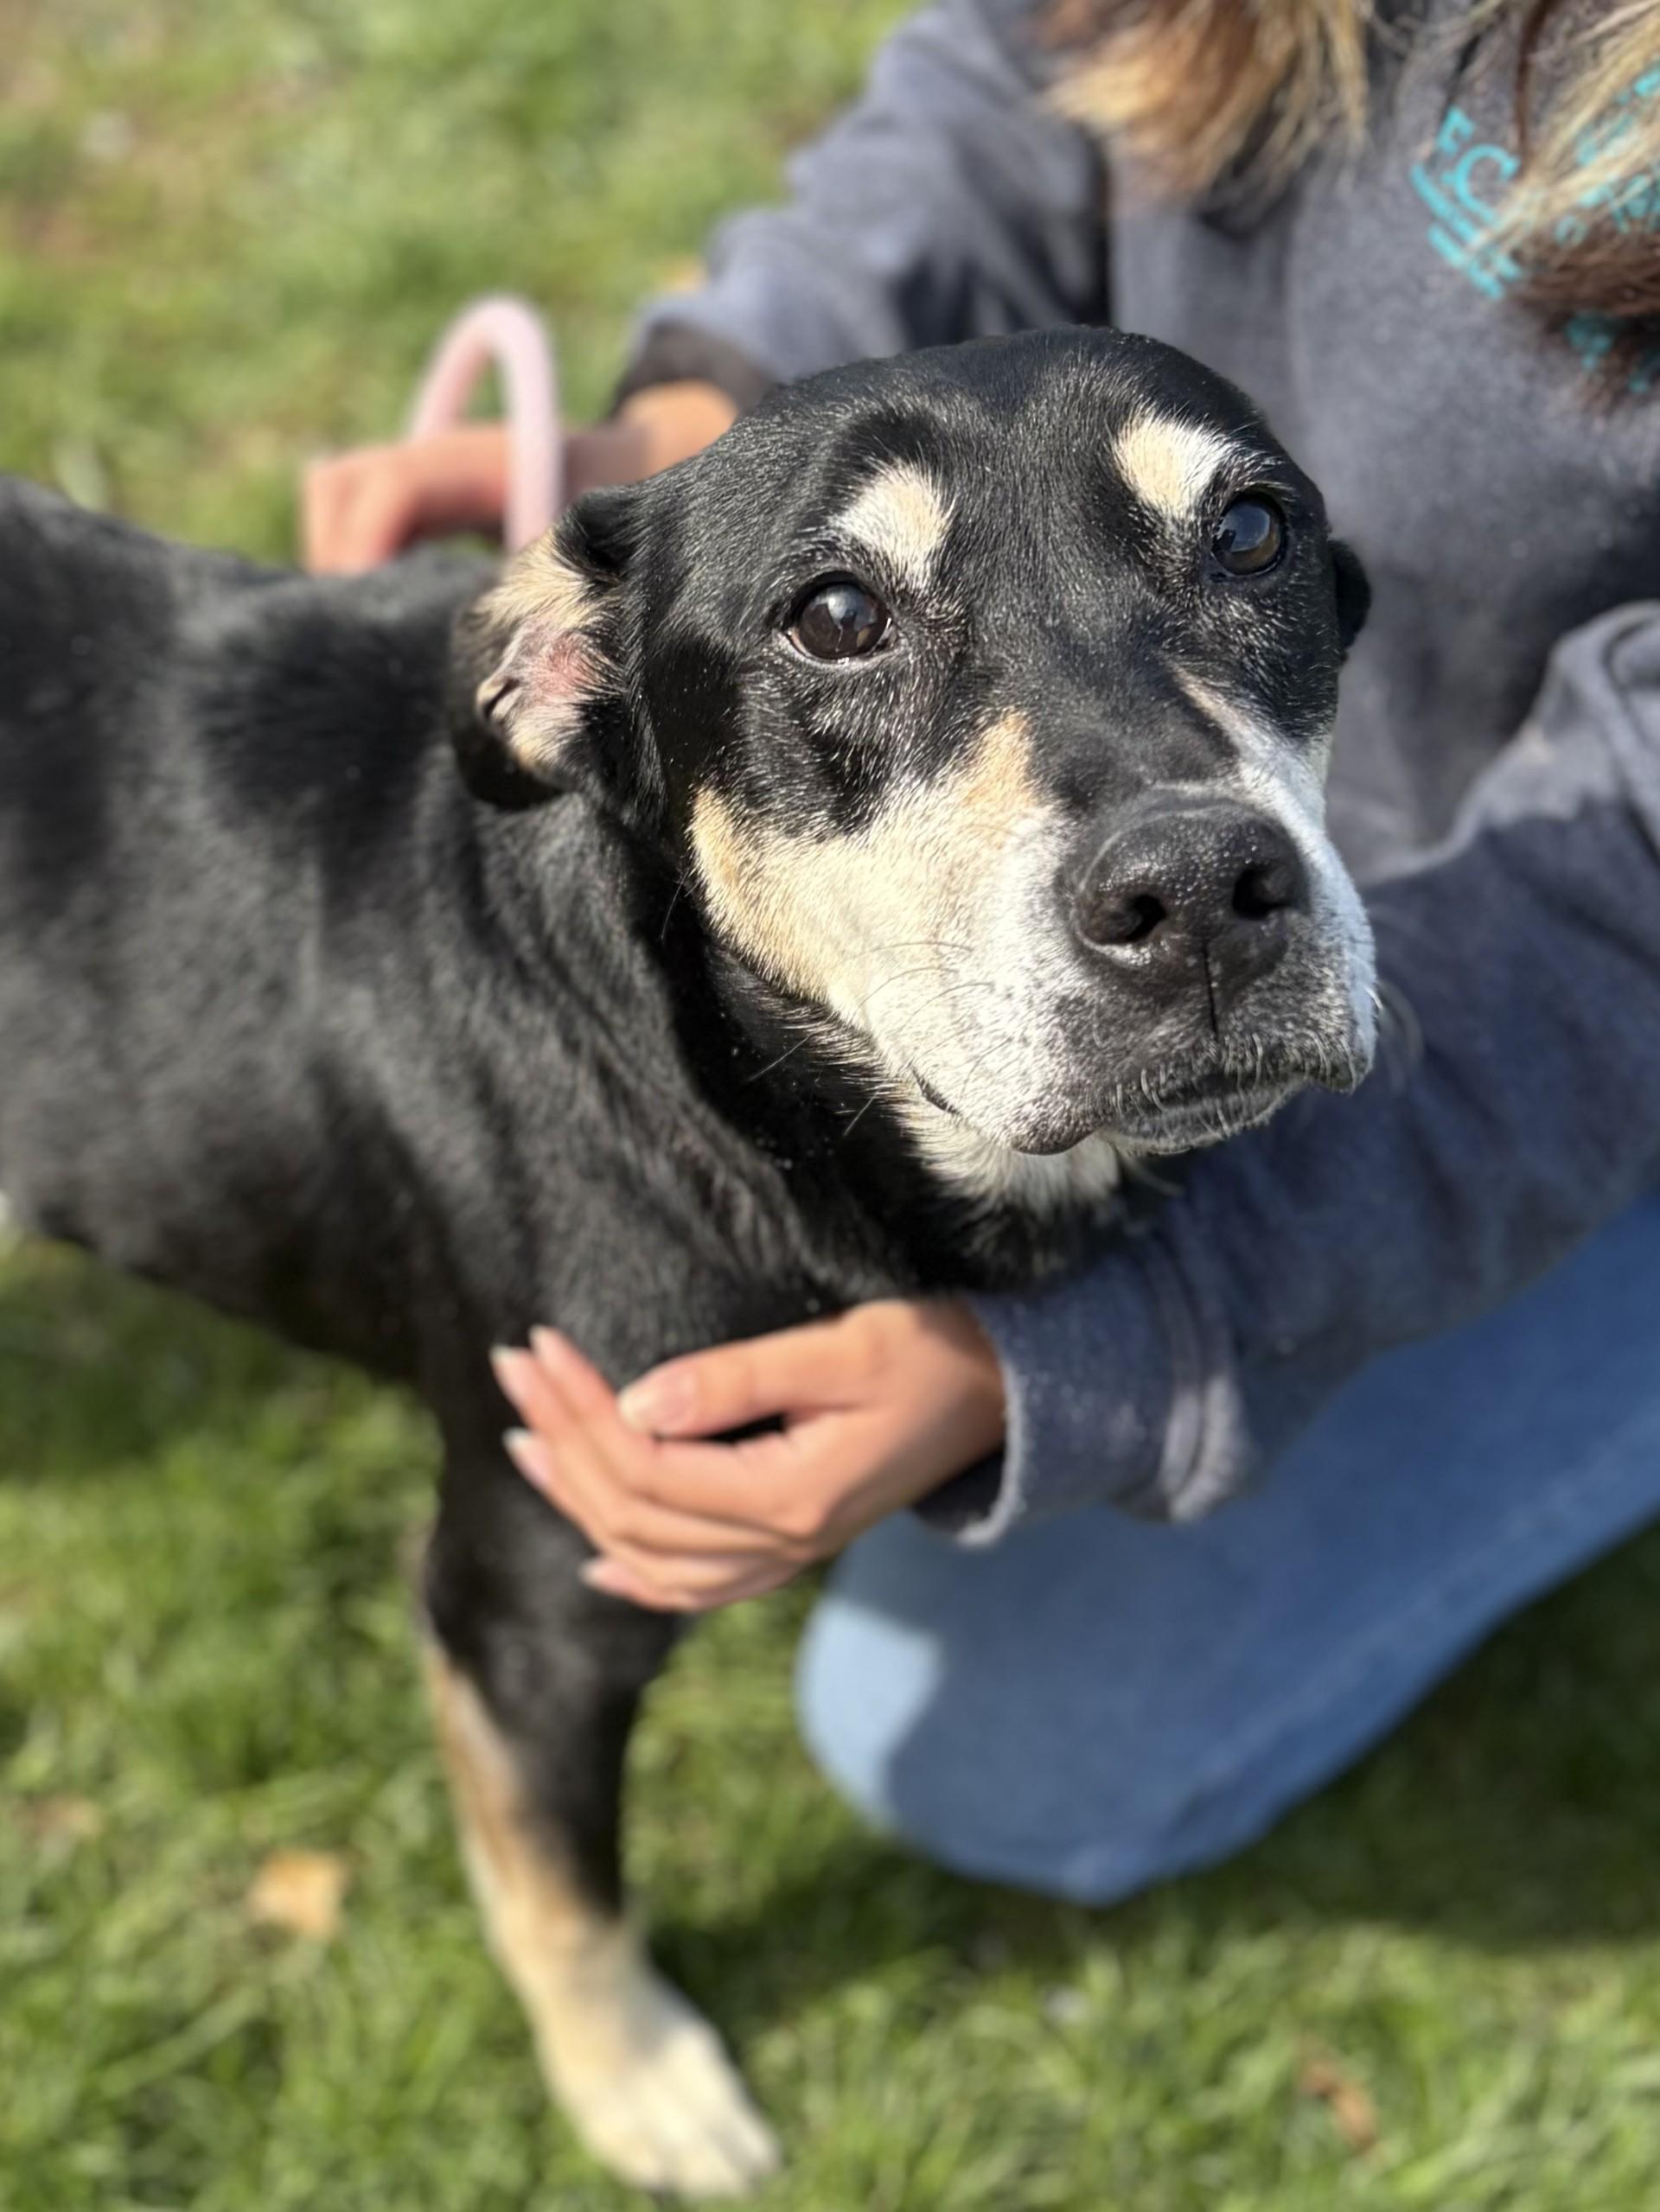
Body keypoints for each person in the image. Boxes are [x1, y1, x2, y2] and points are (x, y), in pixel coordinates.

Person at [306, 0, 1660, 1905]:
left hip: (1607, 961)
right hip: (1371, 861)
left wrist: (1105, 1345)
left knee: (1001, 1760)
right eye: (844, 617)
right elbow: (1025, 68)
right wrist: (710, 452)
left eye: (1249, 545)